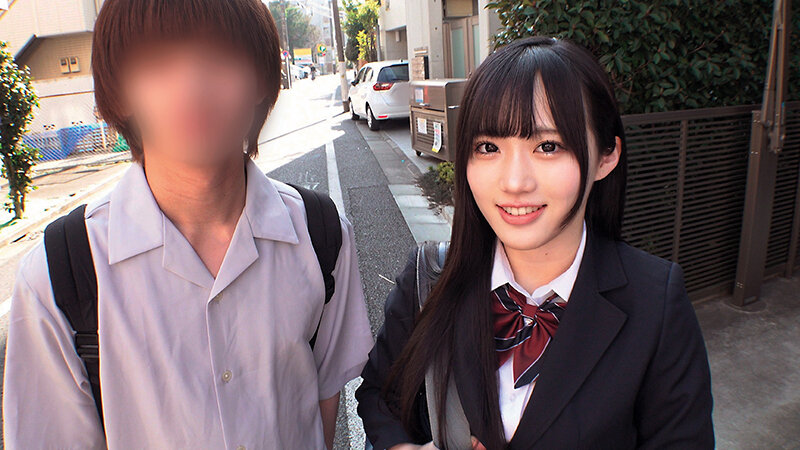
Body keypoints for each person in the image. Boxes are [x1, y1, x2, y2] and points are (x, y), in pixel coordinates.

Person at [3, 0, 373, 448]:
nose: (193, 87)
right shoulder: (61, 273)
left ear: (261, 79)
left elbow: (323, 399)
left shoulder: (321, 235)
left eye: (222, 55)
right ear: (121, 90)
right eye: (158, 62)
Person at [356, 36, 714, 449]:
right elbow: (380, 394)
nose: (514, 182)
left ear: (606, 156)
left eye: (547, 146)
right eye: (488, 147)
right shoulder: (429, 280)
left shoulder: (655, 305)